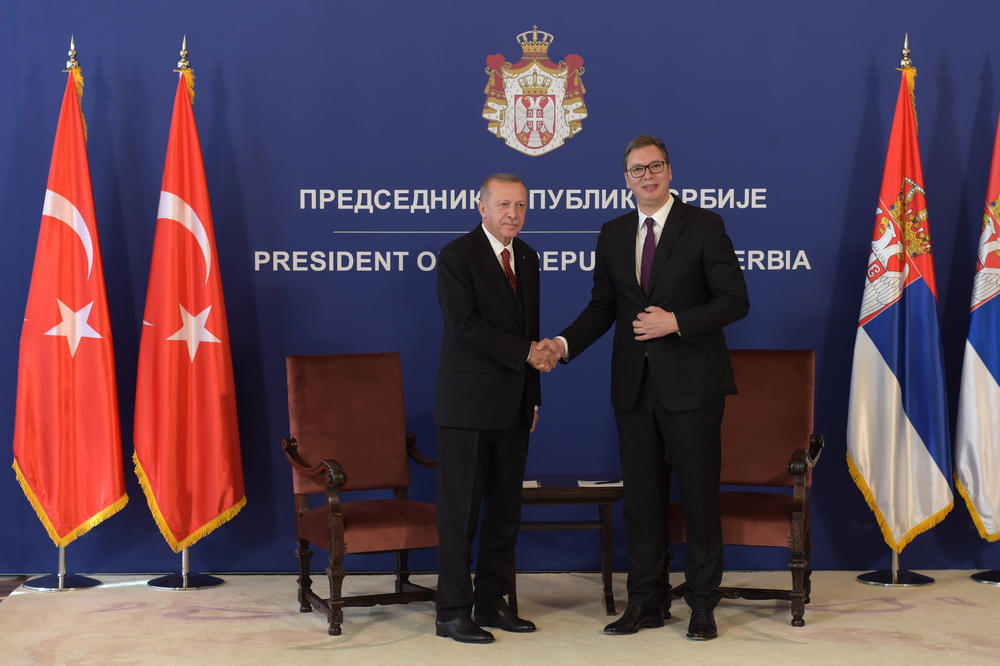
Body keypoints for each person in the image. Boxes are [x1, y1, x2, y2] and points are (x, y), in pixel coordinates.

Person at [538, 135, 748, 640]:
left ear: (670, 172)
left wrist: (676, 322)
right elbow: (603, 307)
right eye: (637, 169)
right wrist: (562, 345)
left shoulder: (704, 225)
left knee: (698, 497)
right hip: (634, 388)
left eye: (656, 166)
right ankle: (646, 602)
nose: (647, 176)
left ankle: (702, 604)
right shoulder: (613, 233)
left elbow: (734, 300)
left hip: (693, 385)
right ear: (626, 180)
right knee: (642, 500)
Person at [434, 173, 559, 644]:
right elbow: (464, 325)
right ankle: (451, 612)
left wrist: (534, 396)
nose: (513, 213)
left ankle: (491, 601)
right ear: (481, 207)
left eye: (521, 205)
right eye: (504, 204)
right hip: (467, 406)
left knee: (505, 512)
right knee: (460, 515)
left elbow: (531, 330)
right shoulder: (457, 255)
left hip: (514, 405)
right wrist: (527, 353)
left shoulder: (527, 257)